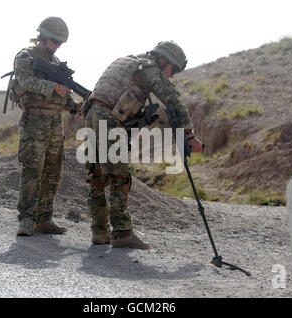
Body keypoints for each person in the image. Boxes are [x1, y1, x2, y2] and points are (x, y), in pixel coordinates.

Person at [84, 41, 203, 249]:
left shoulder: (125, 60)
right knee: (119, 177)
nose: (171, 75)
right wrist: (189, 135)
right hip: (110, 121)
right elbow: (172, 99)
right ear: (163, 59)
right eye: (172, 69)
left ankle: (100, 231)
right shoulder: (148, 68)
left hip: (92, 116)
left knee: (97, 176)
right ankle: (122, 232)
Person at [12, 17, 80, 236]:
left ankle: (44, 218)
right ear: (42, 37)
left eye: (59, 43)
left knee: (53, 173)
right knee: (33, 170)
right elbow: (25, 81)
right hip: (34, 122)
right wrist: (54, 88)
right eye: (54, 41)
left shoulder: (55, 61)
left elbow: (63, 93)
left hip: (54, 123)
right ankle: (26, 219)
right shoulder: (25, 56)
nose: (56, 46)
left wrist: (73, 105)